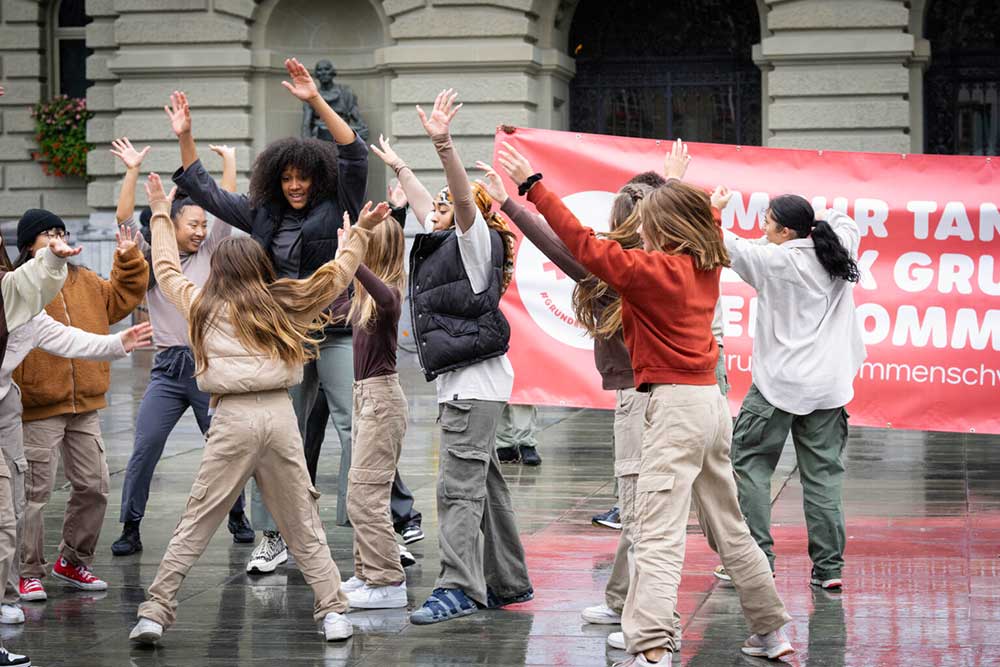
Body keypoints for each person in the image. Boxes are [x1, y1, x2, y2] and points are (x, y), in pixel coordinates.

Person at [499, 141, 793, 666]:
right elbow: (692, 219)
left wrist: (534, 186)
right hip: (709, 405)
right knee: (730, 527)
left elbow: (582, 245)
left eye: (652, 223)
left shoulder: (650, 273)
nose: (644, 230)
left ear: (668, 229)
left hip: (674, 409)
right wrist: (677, 183)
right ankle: (771, 631)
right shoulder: (704, 262)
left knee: (656, 534)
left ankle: (652, 648)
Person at [128, 172, 390, 645]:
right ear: (259, 268)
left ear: (219, 272)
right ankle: (333, 611)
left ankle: (154, 612)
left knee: (197, 519)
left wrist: (160, 213)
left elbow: (165, 270)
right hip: (278, 417)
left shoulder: (202, 303)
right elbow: (335, 277)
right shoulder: (284, 300)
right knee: (302, 521)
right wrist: (360, 235)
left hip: (230, 418)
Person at [169, 57, 369, 571]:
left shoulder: (337, 203)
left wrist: (315, 102)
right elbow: (204, 190)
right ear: (275, 181)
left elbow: (352, 152)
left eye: (303, 177)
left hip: (336, 328)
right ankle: (274, 534)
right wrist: (186, 136)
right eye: (287, 179)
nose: (296, 185)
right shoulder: (263, 213)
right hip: (280, 335)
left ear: (316, 178)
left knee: (354, 425)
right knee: (286, 435)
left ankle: (368, 524)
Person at [369, 90, 532, 625]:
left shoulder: (475, 244)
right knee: (485, 484)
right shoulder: (447, 249)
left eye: (443, 204)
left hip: (471, 390)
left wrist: (444, 147)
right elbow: (430, 206)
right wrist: (403, 167)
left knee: (456, 492)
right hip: (468, 389)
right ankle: (507, 581)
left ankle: (458, 586)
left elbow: (461, 204)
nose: (432, 209)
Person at [716, 190, 865, 592]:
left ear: (784, 231)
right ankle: (829, 568)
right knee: (823, 478)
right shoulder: (839, 246)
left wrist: (713, 204)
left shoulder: (772, 260)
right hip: (829, 389)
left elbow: (722, 239)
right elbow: (843, 219)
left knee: (750, 467)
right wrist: (818, 218)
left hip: (776, 387)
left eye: (767, 223)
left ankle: (755, 561)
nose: (761, 229)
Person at [109, 137, 251, 557]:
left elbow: (222, 205)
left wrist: (230, 162)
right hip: (168, 370)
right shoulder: (154, 258)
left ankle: (238, 514)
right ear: (171, 224)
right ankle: (130, 526)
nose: (200, 231)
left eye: (203, 226)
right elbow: (122, 220)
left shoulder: (212, 249)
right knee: (144, 445)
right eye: (193, 225)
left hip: (211, 366)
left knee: (226, 449)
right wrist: (133, 171)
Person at [14, 194, 148, 601]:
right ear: (28, 246)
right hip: (39, 405)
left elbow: (120, 301)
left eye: (61, 232)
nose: (57, 239)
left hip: (86, 402)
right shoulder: (22, 285)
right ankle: (26, 571)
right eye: (47, 234)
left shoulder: (85, 279)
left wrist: (127, 259)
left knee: (94, 485)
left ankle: (73, 560)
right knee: (34, 495)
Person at [0, 226, 79, 667]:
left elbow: (34, 287)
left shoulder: (14, 291)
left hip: (14, 405)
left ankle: (10, 591)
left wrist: (116, 345)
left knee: (11, 506)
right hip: (33, 408)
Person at [337, 209, 411, 610]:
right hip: (367, 397)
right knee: (358, 493)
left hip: (381, 401)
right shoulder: (364, 296)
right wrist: (346, 255)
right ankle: (367, 572)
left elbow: (384, 295)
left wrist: (354, 255)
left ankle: (387, 581)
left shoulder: (389, 296)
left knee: (368, 496)